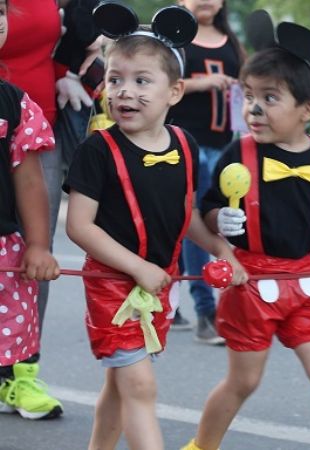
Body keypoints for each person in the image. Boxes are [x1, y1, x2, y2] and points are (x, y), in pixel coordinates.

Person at [182, 19, 310, 450]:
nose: (254, 109)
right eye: (249, 96)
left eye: (270, 98)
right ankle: (202, 446)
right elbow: (209, 205)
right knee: (243, 381)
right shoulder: (241, 152)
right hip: (249, 280)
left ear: (308, 108)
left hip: (305, 281)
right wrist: (219, 220)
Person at [64, 5, 246, 449]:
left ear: (175, 91)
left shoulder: (183, 143)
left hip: (159, 284)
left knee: (120, 384)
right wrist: (137, 268)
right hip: (112, 284)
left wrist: (222, 250)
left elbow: (183, 216)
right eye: (115, 79)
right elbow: (79, 227)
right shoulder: (98, 149)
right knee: (140, 386)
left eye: (142, 81)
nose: (124, 92)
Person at [167, 0, 245, 344]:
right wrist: (203, 83)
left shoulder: (231, 39)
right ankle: (205, 310)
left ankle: (178, 299)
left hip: (226, 146)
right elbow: (160, 83)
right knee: (193, 221)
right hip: (184, 144)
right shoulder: (174, 38)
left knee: (212, 221)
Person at [0, 0, 63, 420]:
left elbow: (29, 180)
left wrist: (38, 245)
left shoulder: (13, 103)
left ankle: (19, 377)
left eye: (0, 10)